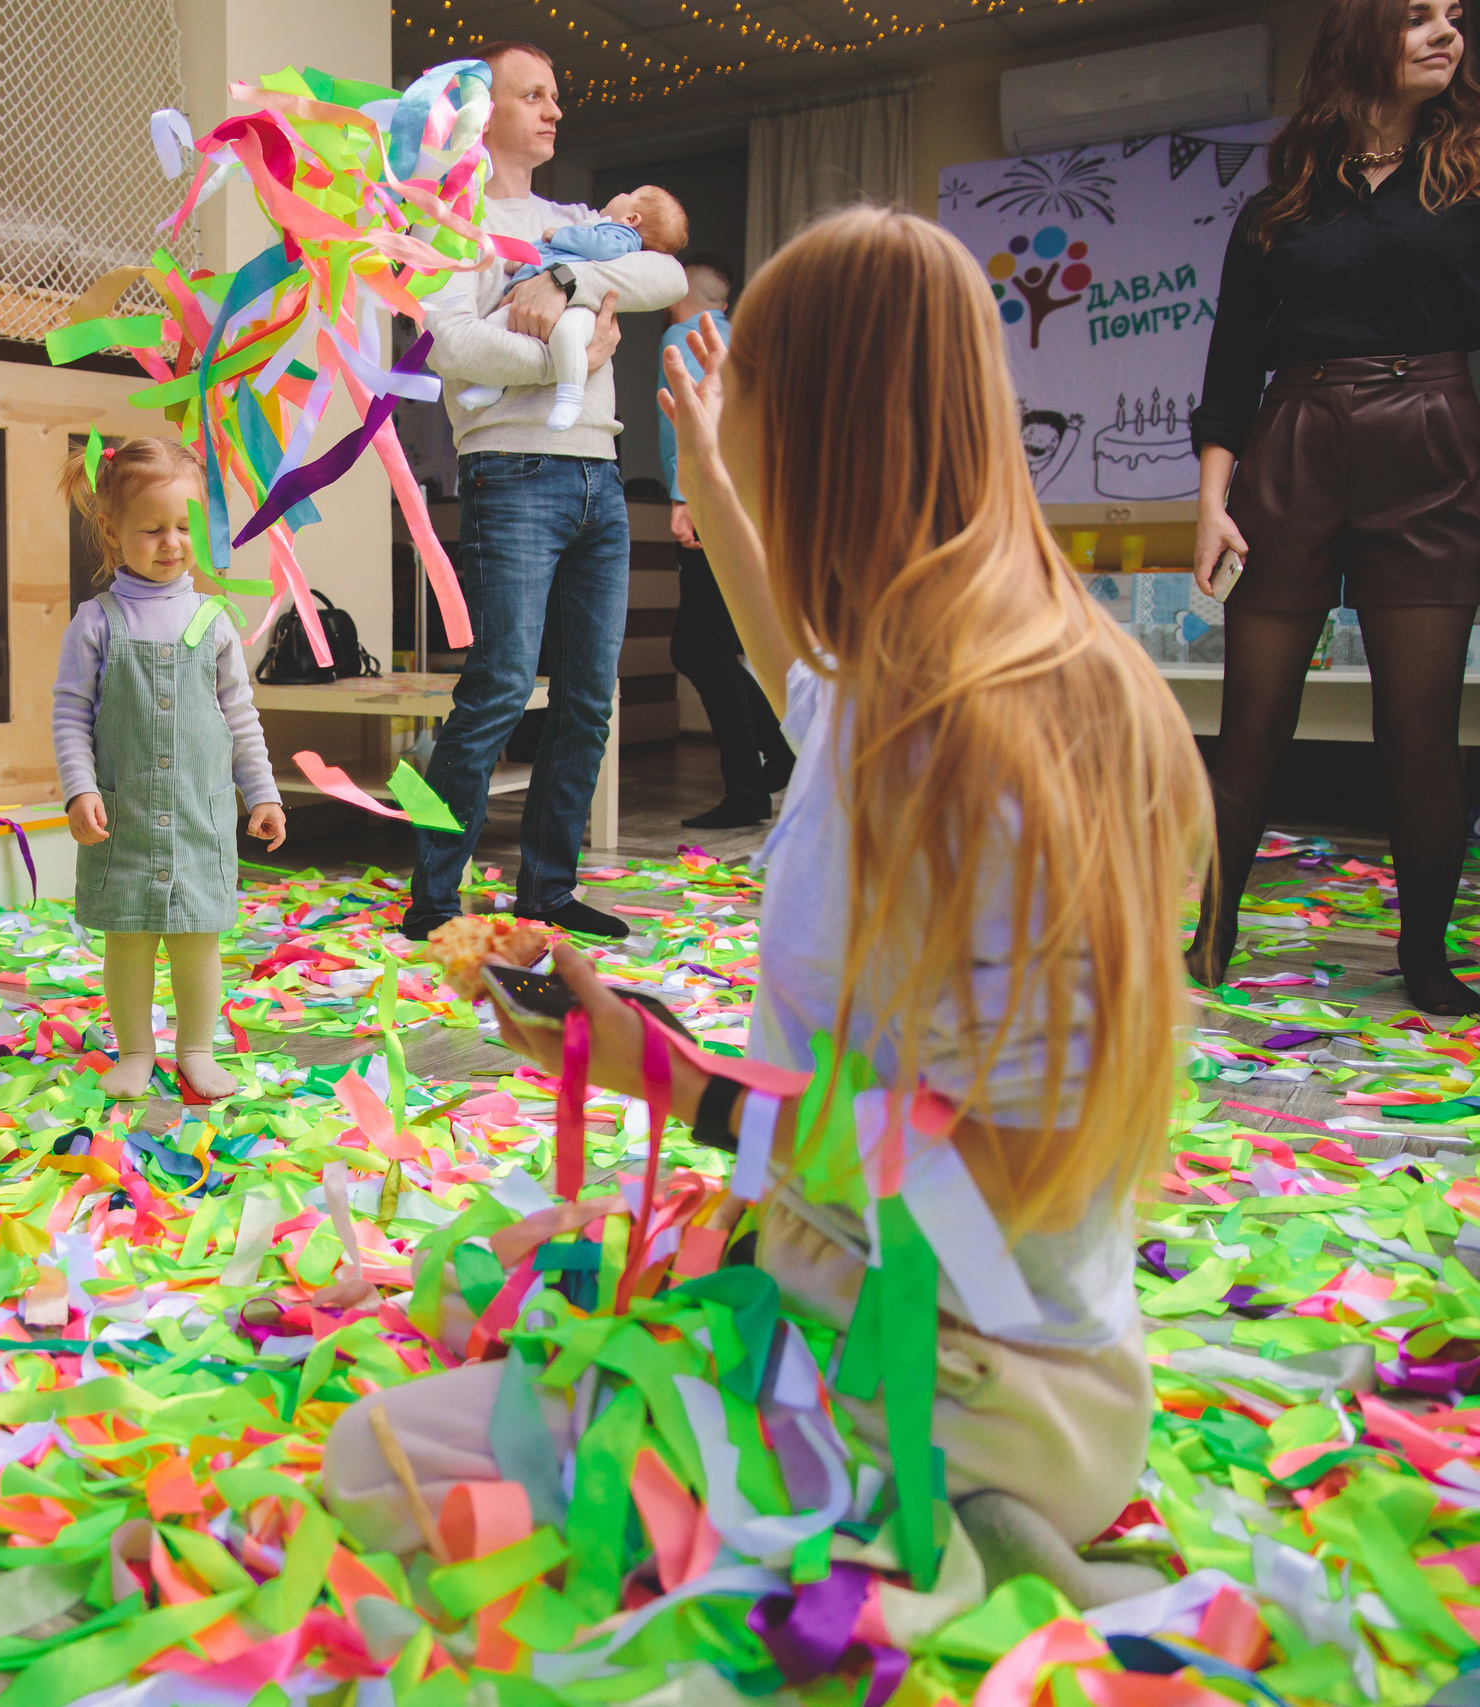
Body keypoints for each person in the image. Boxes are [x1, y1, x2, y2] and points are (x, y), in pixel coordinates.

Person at [323, 208, 1209, 1610]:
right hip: (862, 1279)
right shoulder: (905, 677)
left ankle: (968, 1534)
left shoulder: (969, 748)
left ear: (827, 446)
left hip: (964, 1369)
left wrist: (667, 1079)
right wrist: (719, 472)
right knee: (473, 1276)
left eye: (765, 427)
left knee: (374, 1464)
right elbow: (789, 646)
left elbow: (989, 1186)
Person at [1186, 0, 1480, 1014]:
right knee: (1252, 726)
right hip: (1293, 438)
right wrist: (1210, 505)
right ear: (1359, 38)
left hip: (1434, 442)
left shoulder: (1472, 183)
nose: (1447, 31)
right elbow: (1229, 372)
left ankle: (1426, 956)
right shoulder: (1279, 204)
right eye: (1417, 16)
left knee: (1418, 730)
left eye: (1455, 17)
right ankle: (1212, 931)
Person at [406, 41, 689, 945]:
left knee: (586, 698)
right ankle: (435, 898)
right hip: (512, 474)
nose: (554, 109)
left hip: (598, 480)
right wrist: (561, 357)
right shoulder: (452, 224)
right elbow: (447, 343)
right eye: (535, 94)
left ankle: (547, 889)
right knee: (494, 689)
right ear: (484, 113)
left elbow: (668, 274)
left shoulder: (575, 219)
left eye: (556, 96)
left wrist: (562, 277)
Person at [54, 438, 288, 1102]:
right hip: (123, 820)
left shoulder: (214, 622)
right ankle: (134, 1050)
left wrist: (262, 792)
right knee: (128, 941)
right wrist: (79, 789)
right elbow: (69, 714)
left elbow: (240, 717)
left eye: (185, 527)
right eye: (152, 529)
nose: (171, 542)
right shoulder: (96, 622)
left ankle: (195, 1049)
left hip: (198, 818)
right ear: (111, 530)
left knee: (195, 942)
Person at [661, 252, 794, 829]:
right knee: (718, 643)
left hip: (716, 504)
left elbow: (686, 420)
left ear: (678, 289)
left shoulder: (682, 331)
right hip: (755, 510)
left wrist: (684, 497)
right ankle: (777, 755)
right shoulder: (745, 341)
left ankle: (748, 789)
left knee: (701, 647)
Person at [455, 185, 691, 432]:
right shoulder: (590, 228)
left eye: (629, 196)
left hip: (578, 306)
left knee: (567, 336)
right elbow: (549, 254)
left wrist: (560, 248)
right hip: (529, 307)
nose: (620, 194)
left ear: (632, 219)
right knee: (494, 324)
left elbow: (602, 249)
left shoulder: (616, 235)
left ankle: (570, 396)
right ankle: (491, 384)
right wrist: (525, 261)